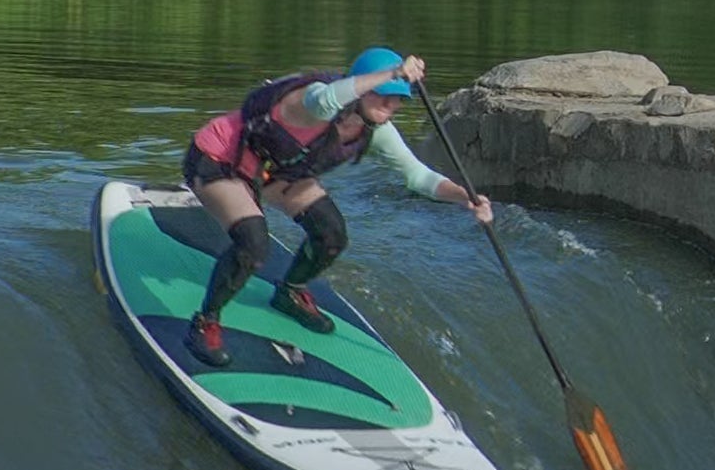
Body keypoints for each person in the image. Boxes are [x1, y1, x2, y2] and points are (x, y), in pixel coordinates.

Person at [177, 47, 492, 367]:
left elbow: (419, 177)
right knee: (254, 243)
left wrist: (466, 196)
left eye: (398, 98)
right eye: (383, 95)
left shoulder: (377, 130)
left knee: (331, 234)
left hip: (276, 173)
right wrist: (394, 73)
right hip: (219, 162)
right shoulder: (313, 99)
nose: (391, 104)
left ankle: (290, 292)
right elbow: (330, 98)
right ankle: (205, 322)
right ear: (362, 87)